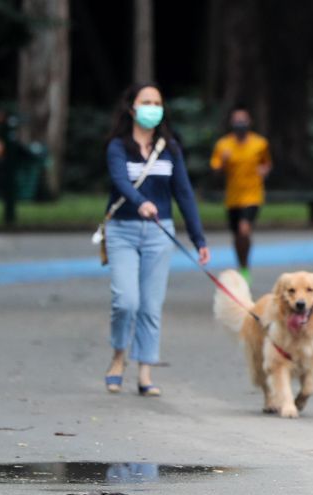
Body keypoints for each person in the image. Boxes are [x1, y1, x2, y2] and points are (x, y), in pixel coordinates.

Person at [103, 83, 211, 397]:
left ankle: (145, 372)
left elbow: (184, 194)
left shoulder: (170, 147)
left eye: (157, 102)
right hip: (122, 230)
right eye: (146, 101)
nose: (152, 107)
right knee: (126, 301)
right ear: (131, 108)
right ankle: (118, 356)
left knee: (151, 305)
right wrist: (140, 201)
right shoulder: (117, 146)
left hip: (159, 233)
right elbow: (120, 180)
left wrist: (198, 238)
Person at [209, 105, 272, 283]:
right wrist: (223, 161)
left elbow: (267, 163)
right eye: (237, 121)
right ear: (231, 123)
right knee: (237, 235)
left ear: (250, 122)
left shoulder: (260, 143)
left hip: (253, 195)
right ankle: (241, 263)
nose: (240, 124)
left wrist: (264, 170)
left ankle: (245, 268)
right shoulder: (223, 145)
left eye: (243, 120)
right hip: (233, 198)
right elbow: (214, 171)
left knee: (244, 230)